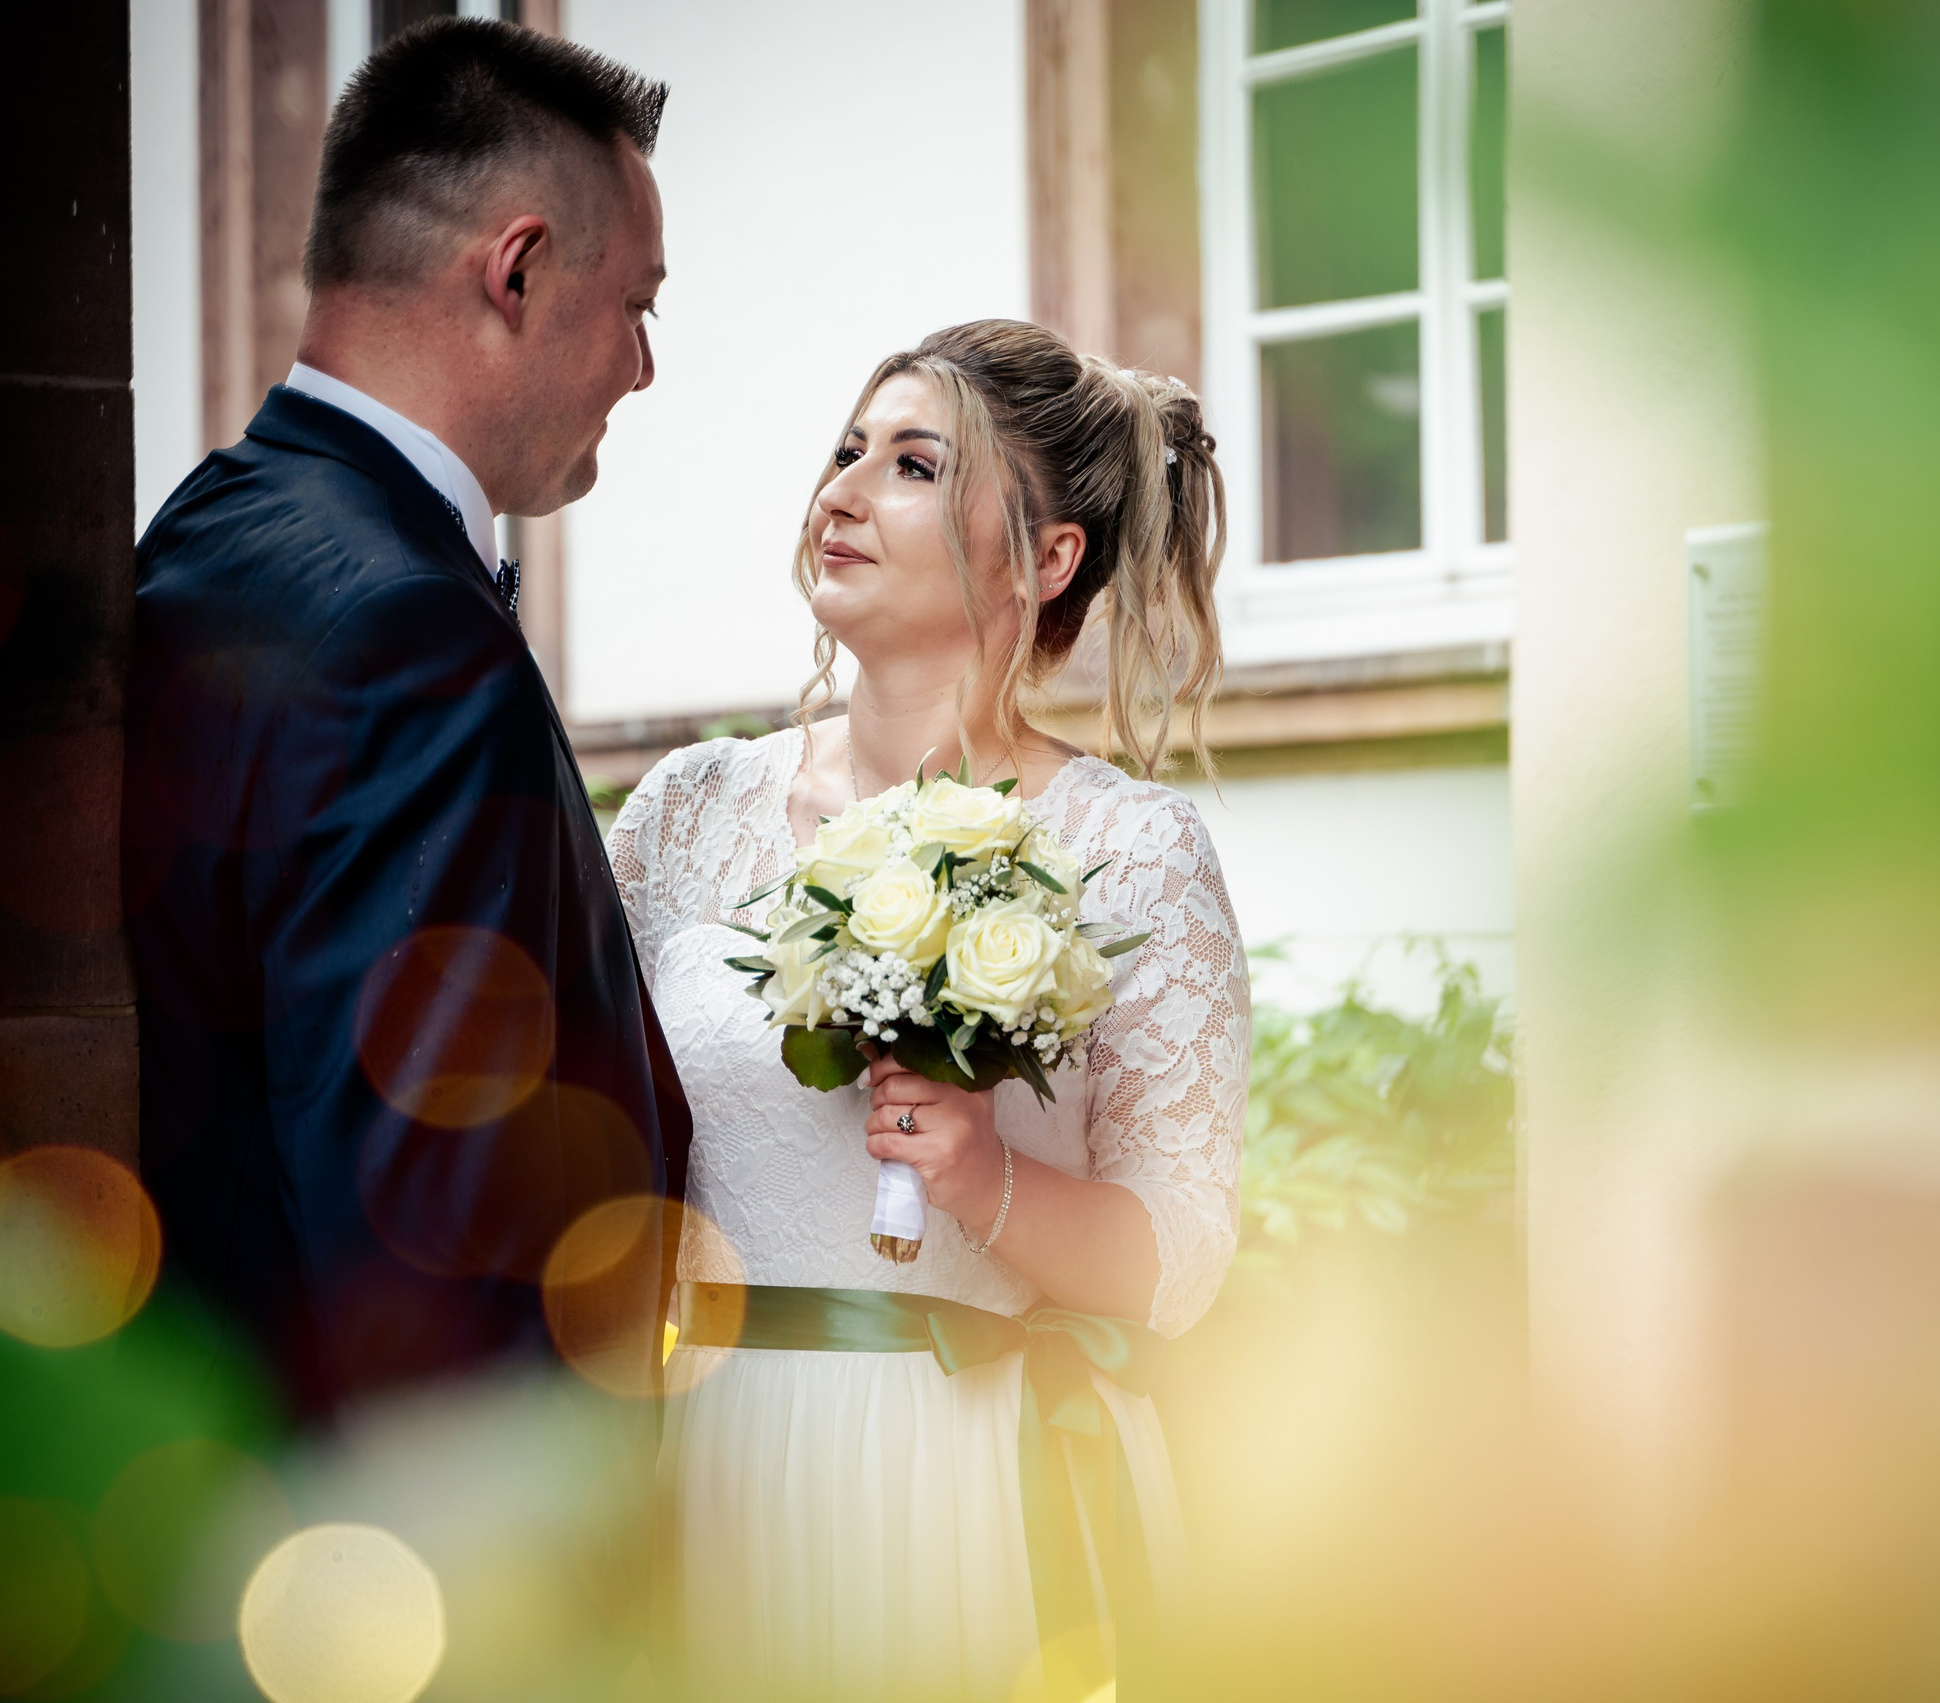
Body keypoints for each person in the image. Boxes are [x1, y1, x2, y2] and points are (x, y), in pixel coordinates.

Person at [610, 321, 1249, 1699]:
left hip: (973, 1474)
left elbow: (1182, 1259)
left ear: (1045, 556)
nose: (839, 492)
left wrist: (989, 1181)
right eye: (845, 451)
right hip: (713, 1461)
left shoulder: (1130, 850)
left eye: (910, 464)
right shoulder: (685, 812)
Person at [124, 19, 691, 1421]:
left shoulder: (204, 532)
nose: (642, 368)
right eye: (639, 306)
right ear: (517, 269)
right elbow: (432, 1231)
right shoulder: (408, 631)